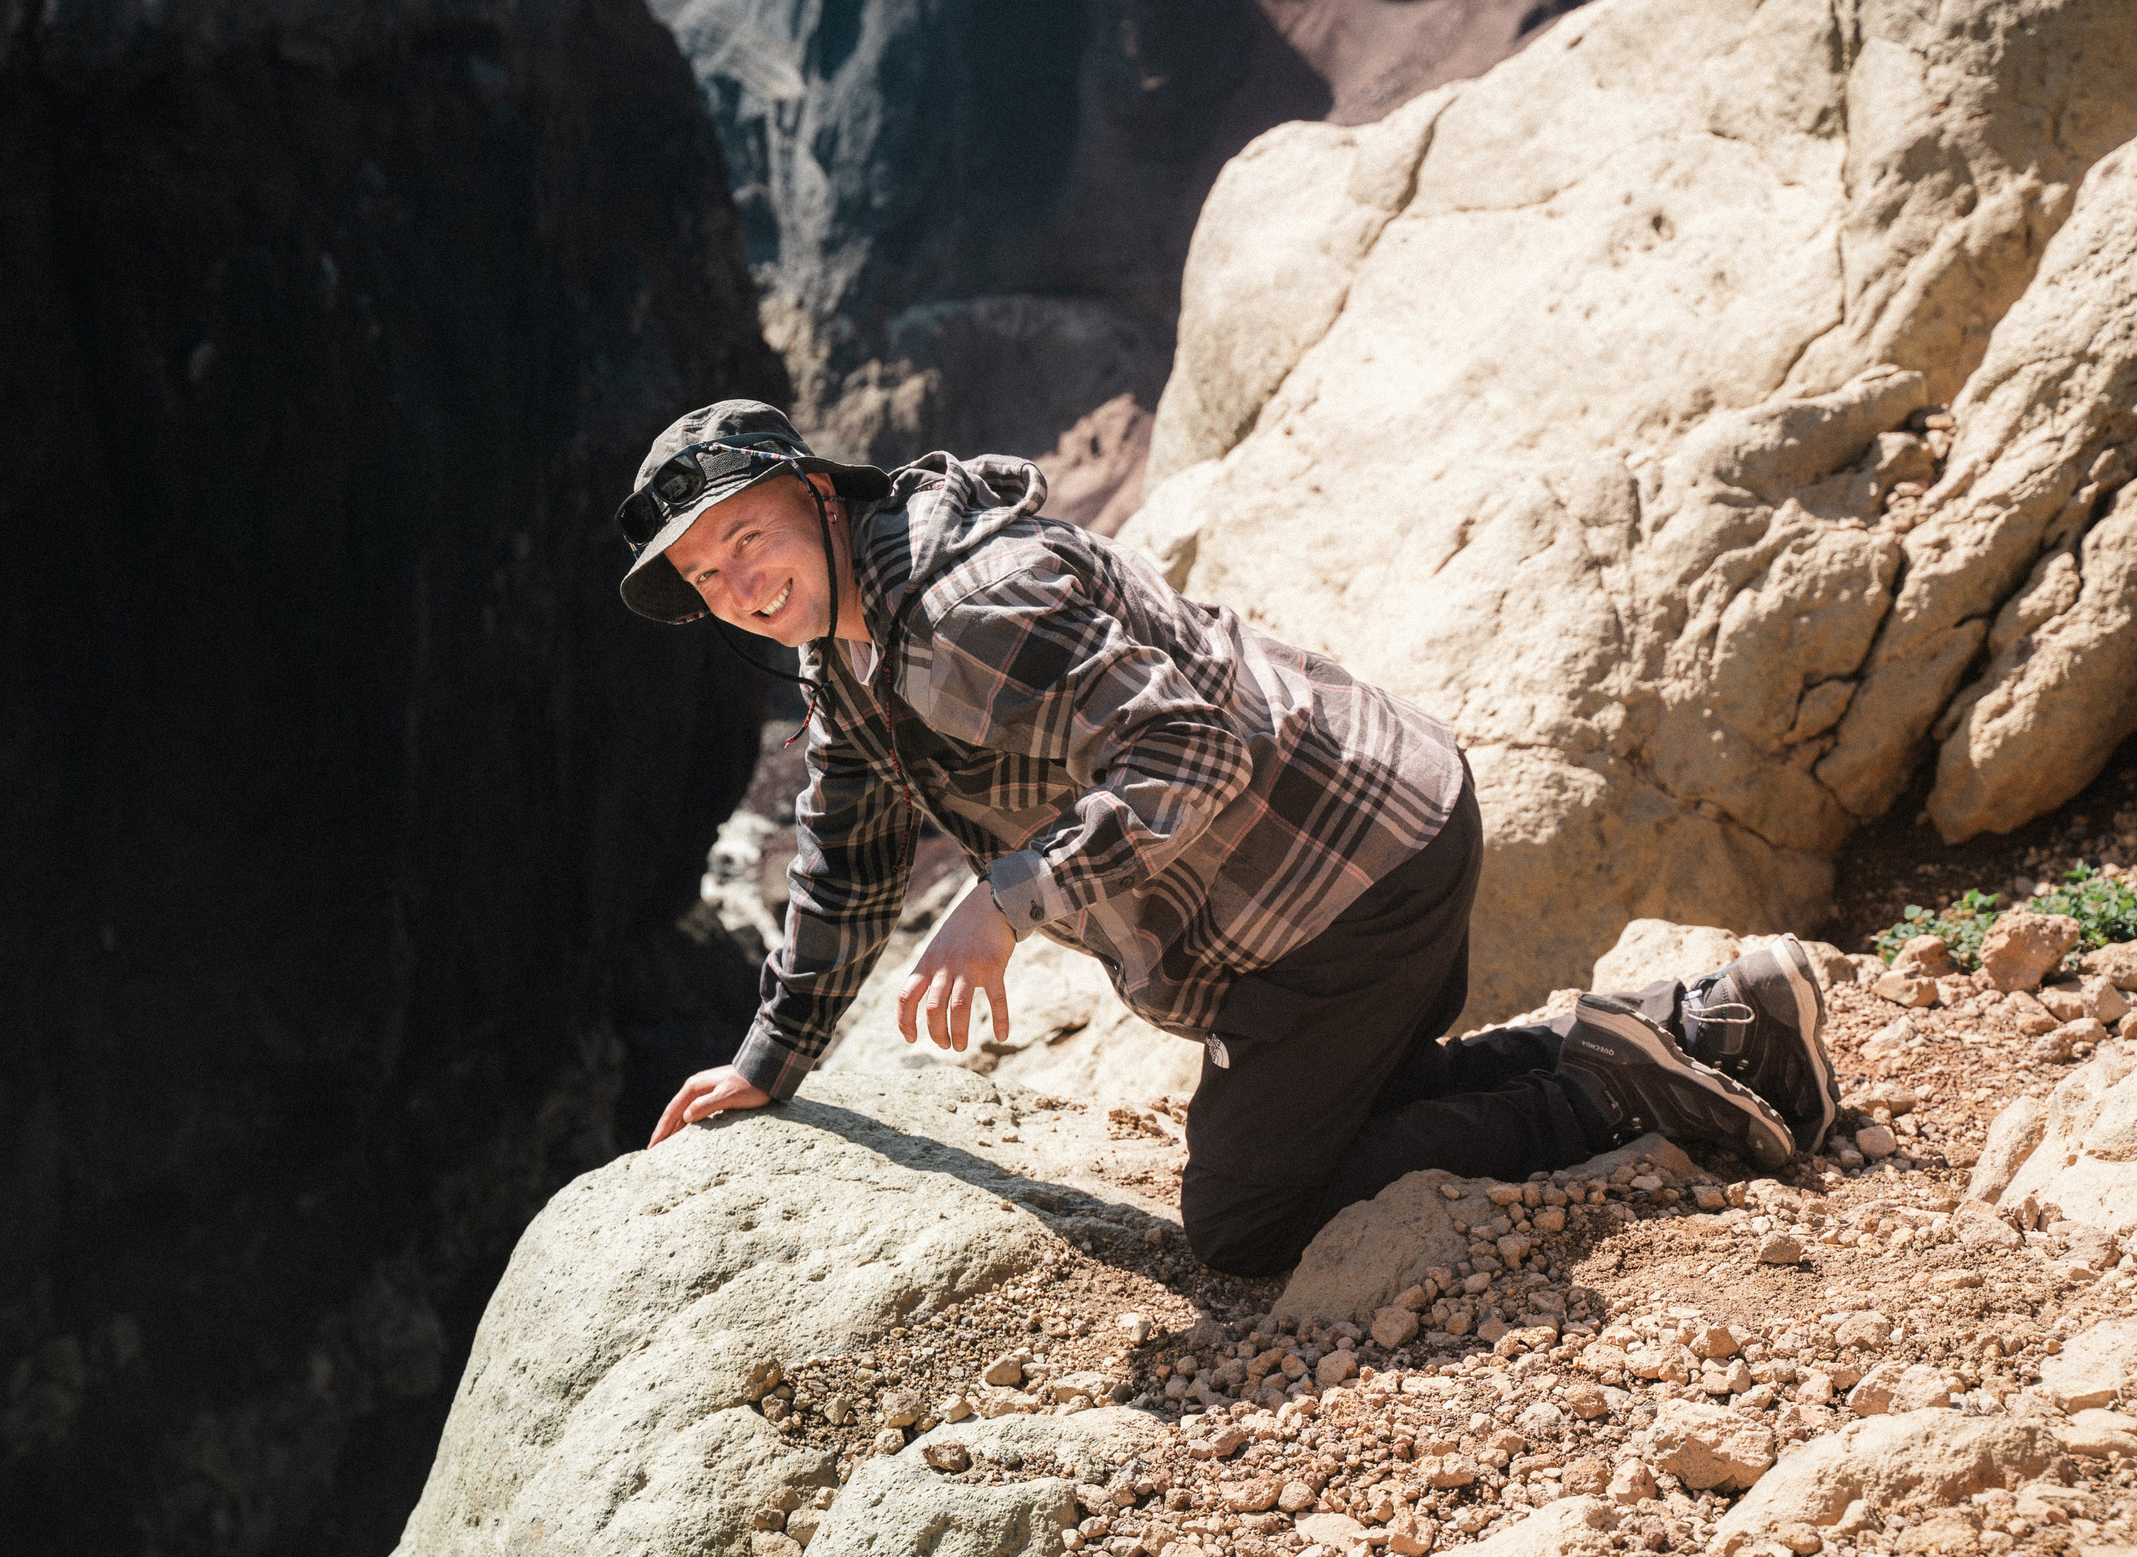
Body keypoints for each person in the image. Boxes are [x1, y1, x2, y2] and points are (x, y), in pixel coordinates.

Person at [619, 399, 1839, 1276]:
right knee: (1345, 1117)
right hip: (1333, 864)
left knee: (1248, 1225)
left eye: (749, 539)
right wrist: (772, 1059)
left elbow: (1192, 752)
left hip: (1352, 879)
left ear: (821, 496)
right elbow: (848, 854)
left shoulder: (964, 613)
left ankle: (1626, 1093)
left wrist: (1003, 902)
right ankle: (1703, 1026)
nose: (737, 583)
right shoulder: (846, 649)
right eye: (704, 573)